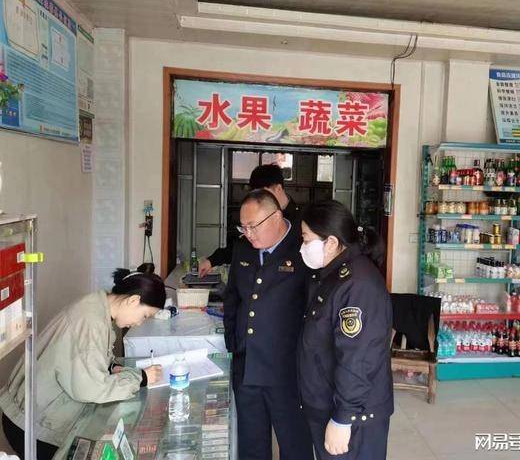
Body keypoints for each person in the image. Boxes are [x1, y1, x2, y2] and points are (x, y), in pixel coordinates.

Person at [0, 263, 165, 460]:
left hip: (32, 412)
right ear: (133, 300)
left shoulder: (98, 307)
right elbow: (90, 389)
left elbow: (92, 357)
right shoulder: (91, 320)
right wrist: (140, 378)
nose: (139, 323)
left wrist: (112, 368)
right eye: (144, 316)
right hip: (33, 425)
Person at [298, 200, 393, 460]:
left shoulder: (357, 284)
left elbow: (359, 357)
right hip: (328, 402)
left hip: (353, 415)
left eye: (306, 239)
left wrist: (343, 418)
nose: (302, 247)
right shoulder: (332, 274)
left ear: (330, 242)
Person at [223, 189, 313, 460]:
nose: (248, 233)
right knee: (251, 446)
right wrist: (234, 344)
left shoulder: (303, 250)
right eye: (243, 227)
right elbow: (232, 299)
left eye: (253, 226)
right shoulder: (243, 248)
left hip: (287, 371)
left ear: (276, 217)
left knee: (294, 445)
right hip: (248, 367)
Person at [199, 164, 301, 277]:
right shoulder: (252, 217)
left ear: (278, 188)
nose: (259, 199)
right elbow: (240, 246)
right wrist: (212, 260)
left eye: (264, 194)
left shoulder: (301, 221)